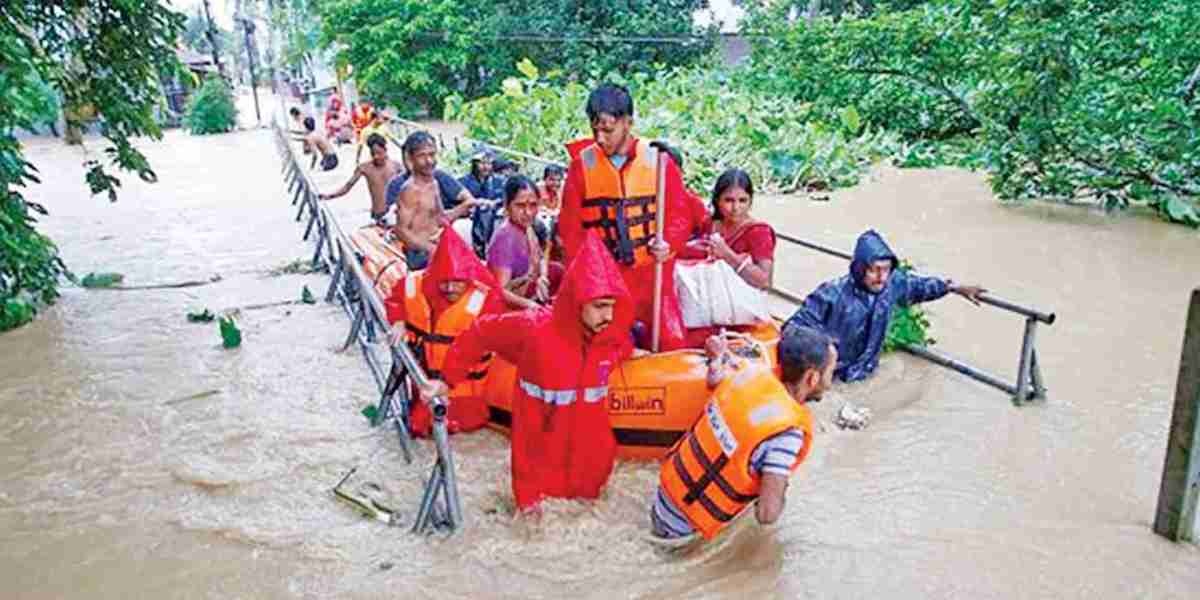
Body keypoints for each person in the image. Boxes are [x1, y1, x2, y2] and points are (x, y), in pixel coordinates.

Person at [420, 233, 635, 511]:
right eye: (599, 306)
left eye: (612, 307)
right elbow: (479, 333)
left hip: (589, 468)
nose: (608, 316)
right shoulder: (534, 328)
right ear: (578, 301)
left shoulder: (608, 337)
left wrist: (630, 350)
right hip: (538, 469)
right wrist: (446, 381)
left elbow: (623, 343)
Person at [650, 326, 835, 541]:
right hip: (684, 532)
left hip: (663, 498)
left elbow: (714, 378)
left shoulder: (750, 374)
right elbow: (767, 514)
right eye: (830, 372)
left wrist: (718, 356)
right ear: (812, 378)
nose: (830, 382)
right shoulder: (787, 434)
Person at [559, 84, 691, 351]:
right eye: (595, 129)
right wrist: (587, 281)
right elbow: (570, 231)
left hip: (653, 277)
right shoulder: (581, 168)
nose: (600, 138)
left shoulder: (660, 161)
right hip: (607, 281)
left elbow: (680, 216)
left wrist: (669, 244)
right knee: (607, 346)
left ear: (628, 123)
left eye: (608, 130)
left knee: (673, 341)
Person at [783, 229, 987, 382]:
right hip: (832, 375)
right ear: (859, 269)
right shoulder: (831, 294)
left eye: (886, 270)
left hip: (865, 370)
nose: (881, 277)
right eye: (874, 270)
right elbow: (794, 328)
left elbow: (922, 287)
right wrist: (826, 351)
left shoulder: (893, 284)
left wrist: (954, 287)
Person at [388, 229, 505, 436]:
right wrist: (398, 320)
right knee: (420, 432)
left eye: (458, 281)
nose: (450, 288)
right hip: (424, 391)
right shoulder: (414, 284)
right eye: (444, 281)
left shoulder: (486, 300)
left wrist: (446, 382)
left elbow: (474, 347)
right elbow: (395, 299)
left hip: (465, 400)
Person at [391, 131, 478, 269]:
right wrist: (429, 248)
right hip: (419, 256)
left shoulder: (434, 183)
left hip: (436, 247)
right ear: (411, 159)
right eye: (422, 156)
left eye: (432, 154)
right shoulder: (410, 190)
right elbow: (401, 230)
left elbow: (440, 219)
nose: (429, 161)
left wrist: (465, 206)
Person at [684, 169, 774, 290]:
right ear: (717, 200)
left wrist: (728, 255)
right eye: (728, 200)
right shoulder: (709, 224)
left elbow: (764, 282)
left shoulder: (758, 232)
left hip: (739, 303)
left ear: (750, 200)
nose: (736, 208)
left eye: (743, 200)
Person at [487, 175, 564, 310]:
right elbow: (499, 291)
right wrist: (532, 306)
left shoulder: (527, 227)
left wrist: (543, 277)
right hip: (510, 309)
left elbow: (541, 256)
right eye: (520, 205)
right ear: (507, 206)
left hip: (528, 292)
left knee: (558, 271)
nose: (528, 212)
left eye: (533, 205)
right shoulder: (505, 237)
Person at [319, 133, 404, 225]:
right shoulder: (364, 168)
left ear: (385, 149)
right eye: (373, 154)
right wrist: (329, 196)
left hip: (394, 214)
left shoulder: (396, 166)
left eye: (379, 153)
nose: (376, 157)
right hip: (377, 214)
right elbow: (347, 187)